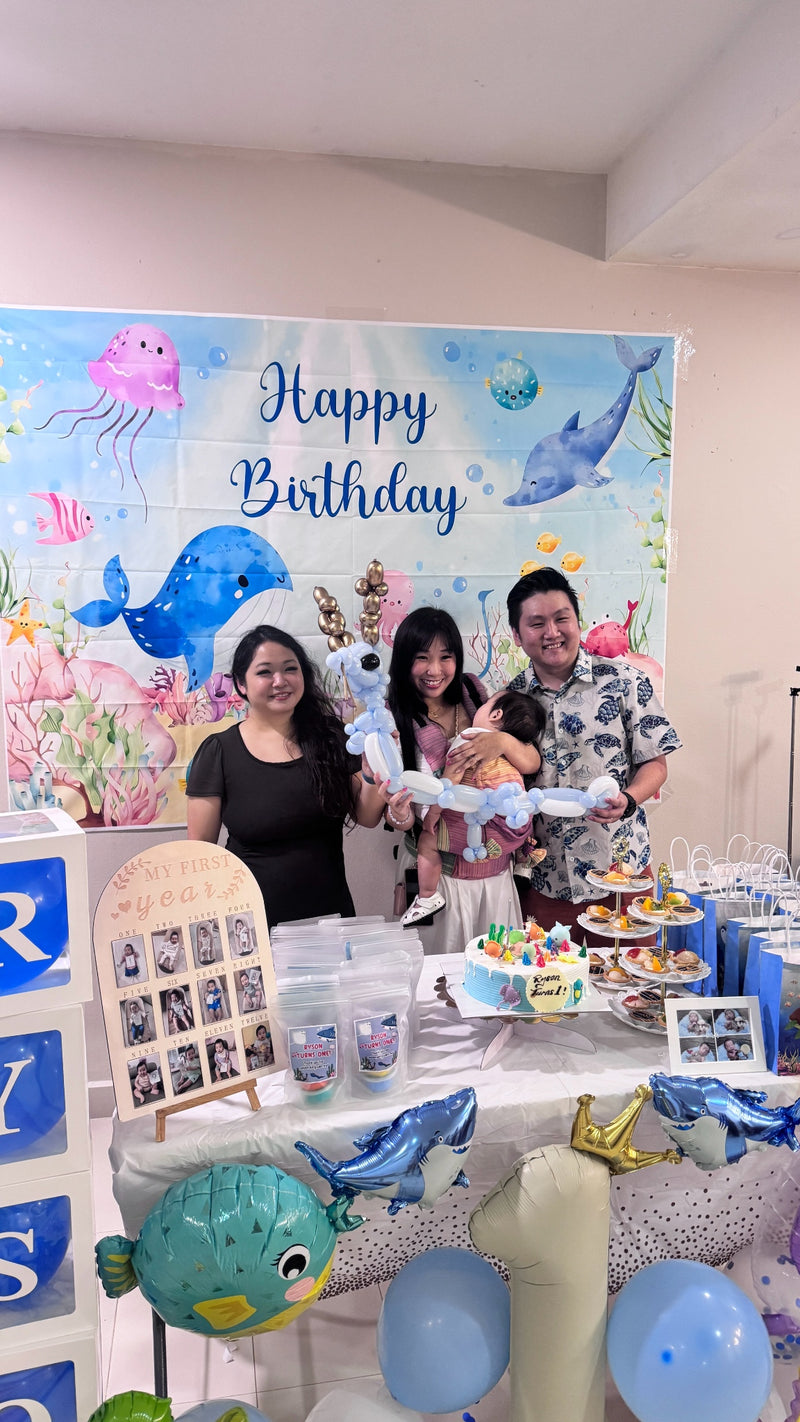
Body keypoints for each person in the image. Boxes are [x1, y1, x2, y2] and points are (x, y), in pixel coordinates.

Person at [506, 568, 681, 931]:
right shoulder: (509, 699)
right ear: (517, 635)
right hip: (543, 880)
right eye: (537, 623)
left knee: (631, 967)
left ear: (577, 621)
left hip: (621, 874)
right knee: (541, 968)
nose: (552, 632)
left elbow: (656, 765)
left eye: (561, 619)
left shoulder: (625, 682)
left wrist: (628, 800)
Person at [186, 625, 385, 927]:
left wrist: (371, 775)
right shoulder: (219, 752)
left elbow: (367, 817)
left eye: (290, 669)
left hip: (329, 921)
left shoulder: (330, 736)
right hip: (249, 926)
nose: (280, 681)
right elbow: (201, 853)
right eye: (265, 672)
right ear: (241, 683)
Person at [383, 608, 540, 951]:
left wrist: (502, 742)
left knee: (496, 970)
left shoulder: (477, 697)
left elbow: (531, 761)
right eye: (421, 658)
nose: (435, 670)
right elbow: (398, 817)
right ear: (404, 660)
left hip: (493, 876)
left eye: (445, 657)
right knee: (433, 975)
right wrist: (400, 812)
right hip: (436, 874)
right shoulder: (392, 718)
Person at [403, 689, 544, 925]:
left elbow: (451, 778)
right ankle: (524, 862)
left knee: (427, 841)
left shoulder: (471, 738)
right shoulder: (517, 749)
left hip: (472, 835)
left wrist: (433, 813)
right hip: (512, 835)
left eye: (487, 704)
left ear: (496, 714)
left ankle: (427, 897)